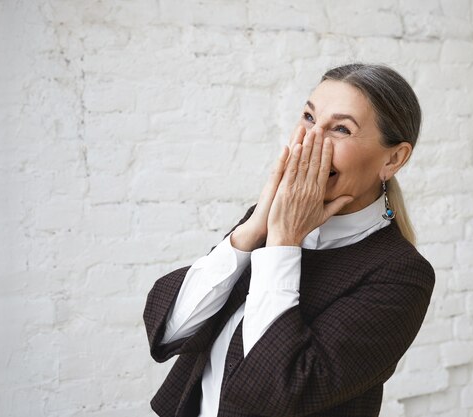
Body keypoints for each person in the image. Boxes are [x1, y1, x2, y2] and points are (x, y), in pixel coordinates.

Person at [143, 63, 435, 417]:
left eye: (341, 128)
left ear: (393, 158)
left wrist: (284, 241)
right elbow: (170, 330)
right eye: (309, 118)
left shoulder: (401, 274)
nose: (311, 140)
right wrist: (249, 234)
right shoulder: (262, 224)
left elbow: (277, 392)